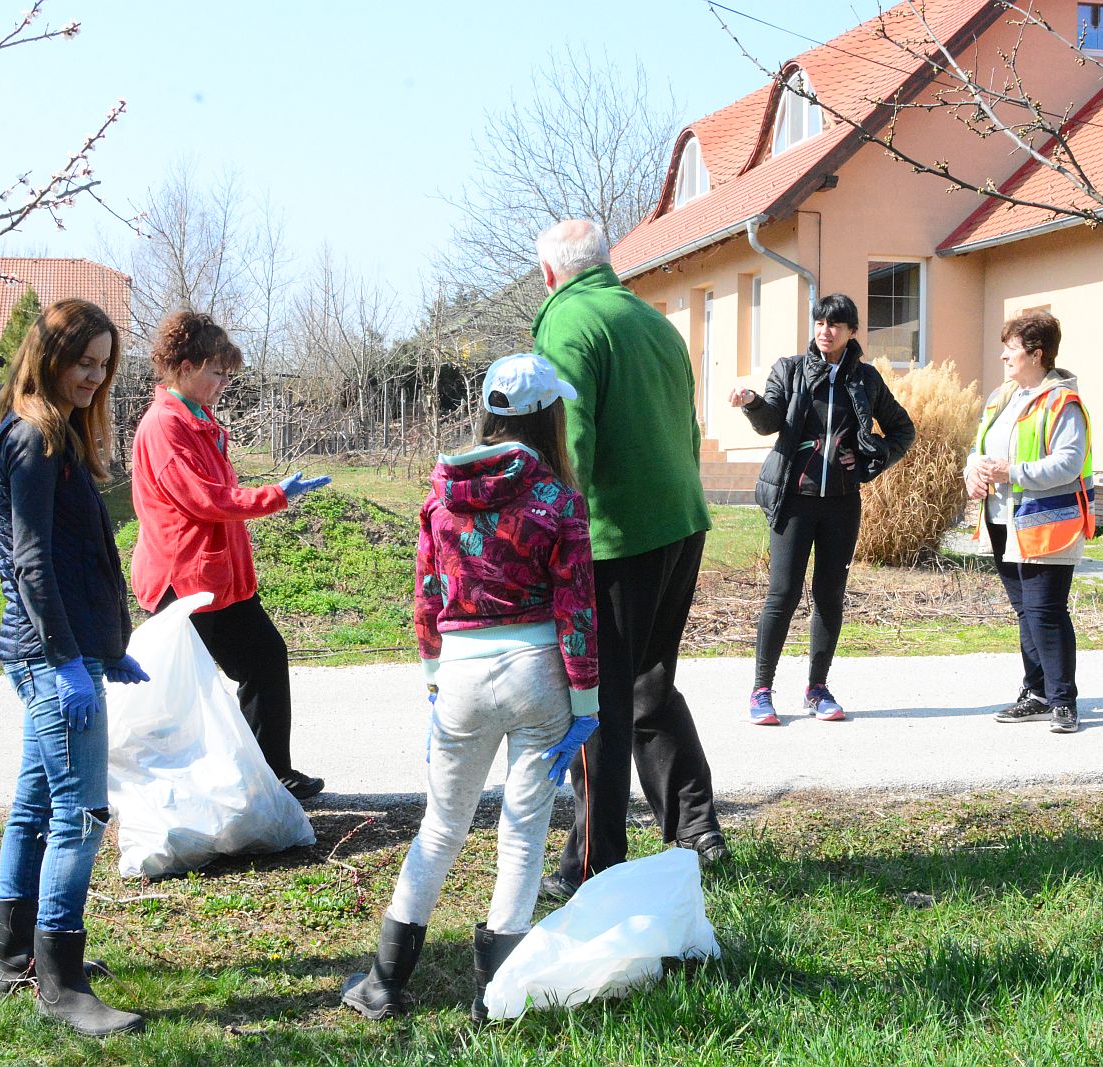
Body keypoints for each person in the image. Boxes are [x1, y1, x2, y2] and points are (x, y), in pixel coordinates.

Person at [342, 353, 599, 1023]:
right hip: (538, 671)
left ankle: (383, 981)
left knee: (440, 826)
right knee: (521, 835)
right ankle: (497, 996)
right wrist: (587, 702)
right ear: (550, 415)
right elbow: (577, 607)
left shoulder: (441, 492)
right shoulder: (557, 498)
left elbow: (427, 594)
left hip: (457, 671)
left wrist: (433, 679)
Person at [530, 218, 725, 902]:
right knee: (649, 683)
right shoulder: (654, 319)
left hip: (617, 535)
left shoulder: (567, 322)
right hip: (682, 521)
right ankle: (697, 830)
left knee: (599, 696)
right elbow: (689, 426)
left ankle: (593, 863)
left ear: (550, 274)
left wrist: (549, 530)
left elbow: (567, 437)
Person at [0, 298, 147, 1037]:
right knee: (82, 814)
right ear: (49, 356)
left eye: (105, 364)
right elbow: (30, 562)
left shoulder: (56, 436)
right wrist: (68, 660)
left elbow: (78, 557)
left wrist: (110, 647)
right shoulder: (34, 441)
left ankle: (15, 956)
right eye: (85, 361)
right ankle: (61, 981)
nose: (95, 376)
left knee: (36, 804)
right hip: (53, 658)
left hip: (66, 651)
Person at [129, 311, 331, 800]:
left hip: (219, 577)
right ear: (184, 366)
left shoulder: (199, 422)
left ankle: (264, 777)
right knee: (188, 694)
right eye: (216, 372)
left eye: (225, 373)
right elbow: (207, 500)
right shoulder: (165, 427)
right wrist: (275, 496)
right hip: (186, 581)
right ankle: (181, 790)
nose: (223, 383)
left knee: (261, 661)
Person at [729, 293, 915, 725]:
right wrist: (753, 402)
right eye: (819, 323)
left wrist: (872, 457)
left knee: (829, 596)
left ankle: (817, 688)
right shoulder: (790, 370)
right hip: (793, 501)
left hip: (841, 505)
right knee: (782, 595)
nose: (824, 331)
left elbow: (903, 429)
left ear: (852, 332)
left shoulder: (865, 379)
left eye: (834, 324)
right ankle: (761, 690)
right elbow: (771, 419)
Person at [963, 310, 1095, 735]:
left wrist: (1011, 472)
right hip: (1004, 521)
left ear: (1036, 355)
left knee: (1046, 611)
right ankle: (1036, 693)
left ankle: (1063, 702)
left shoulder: (1063, 402)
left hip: (1046, 522)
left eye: (1011, 348)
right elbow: (979, 449)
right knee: (1027, 612)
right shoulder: (1002, 398)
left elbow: (1069, 463)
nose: (1004, 356)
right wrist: (974, 472)